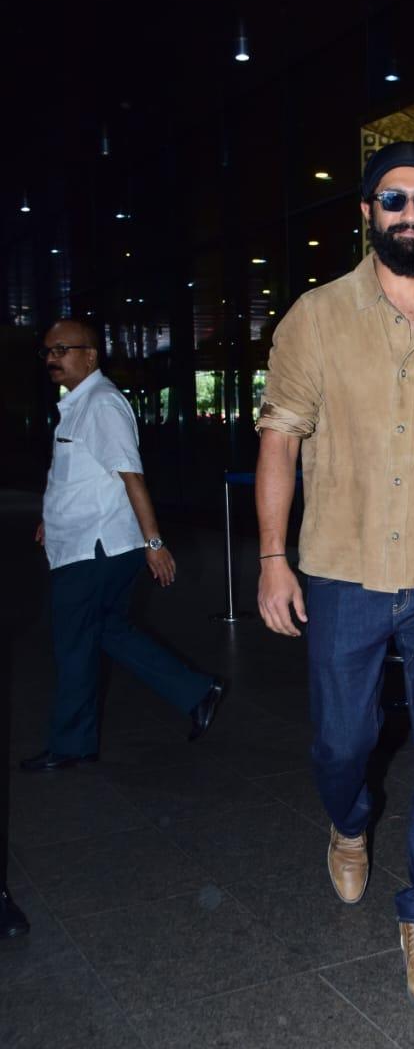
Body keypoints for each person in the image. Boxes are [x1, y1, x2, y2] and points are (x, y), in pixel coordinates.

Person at [255, 141, 414, 1007]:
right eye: (395, 200)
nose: (413, 215)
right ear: (365, 211)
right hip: (340, 566)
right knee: (343, 743)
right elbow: (279, 442)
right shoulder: (314, 318)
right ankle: (349, 820)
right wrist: (271, 558)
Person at [21, 320, 224, 773]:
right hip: (86, 541)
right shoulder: (78, 404)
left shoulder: (102, 403)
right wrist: (49, 519)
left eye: (62, 350)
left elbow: (130, 475)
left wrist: (154, 543)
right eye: (47, 351)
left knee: (74, 642)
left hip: (96, 549)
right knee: (107, 629)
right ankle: (195, 691)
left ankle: (72, 744)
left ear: (90, 355)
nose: (52, 358)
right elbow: (82, 475)